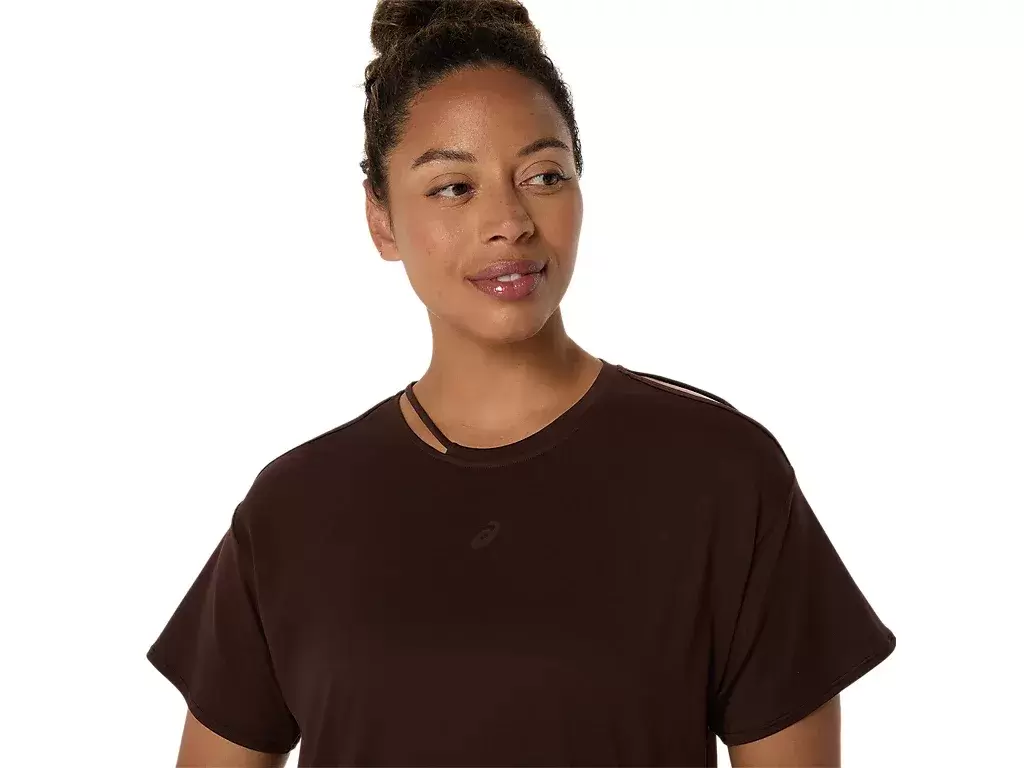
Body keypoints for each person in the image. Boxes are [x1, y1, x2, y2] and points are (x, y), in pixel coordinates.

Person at [146, 1, 896, 765]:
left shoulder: (722, 476)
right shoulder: (294, 509)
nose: (509, 221)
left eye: (543, 175)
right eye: (453, 187)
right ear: (381, 219)